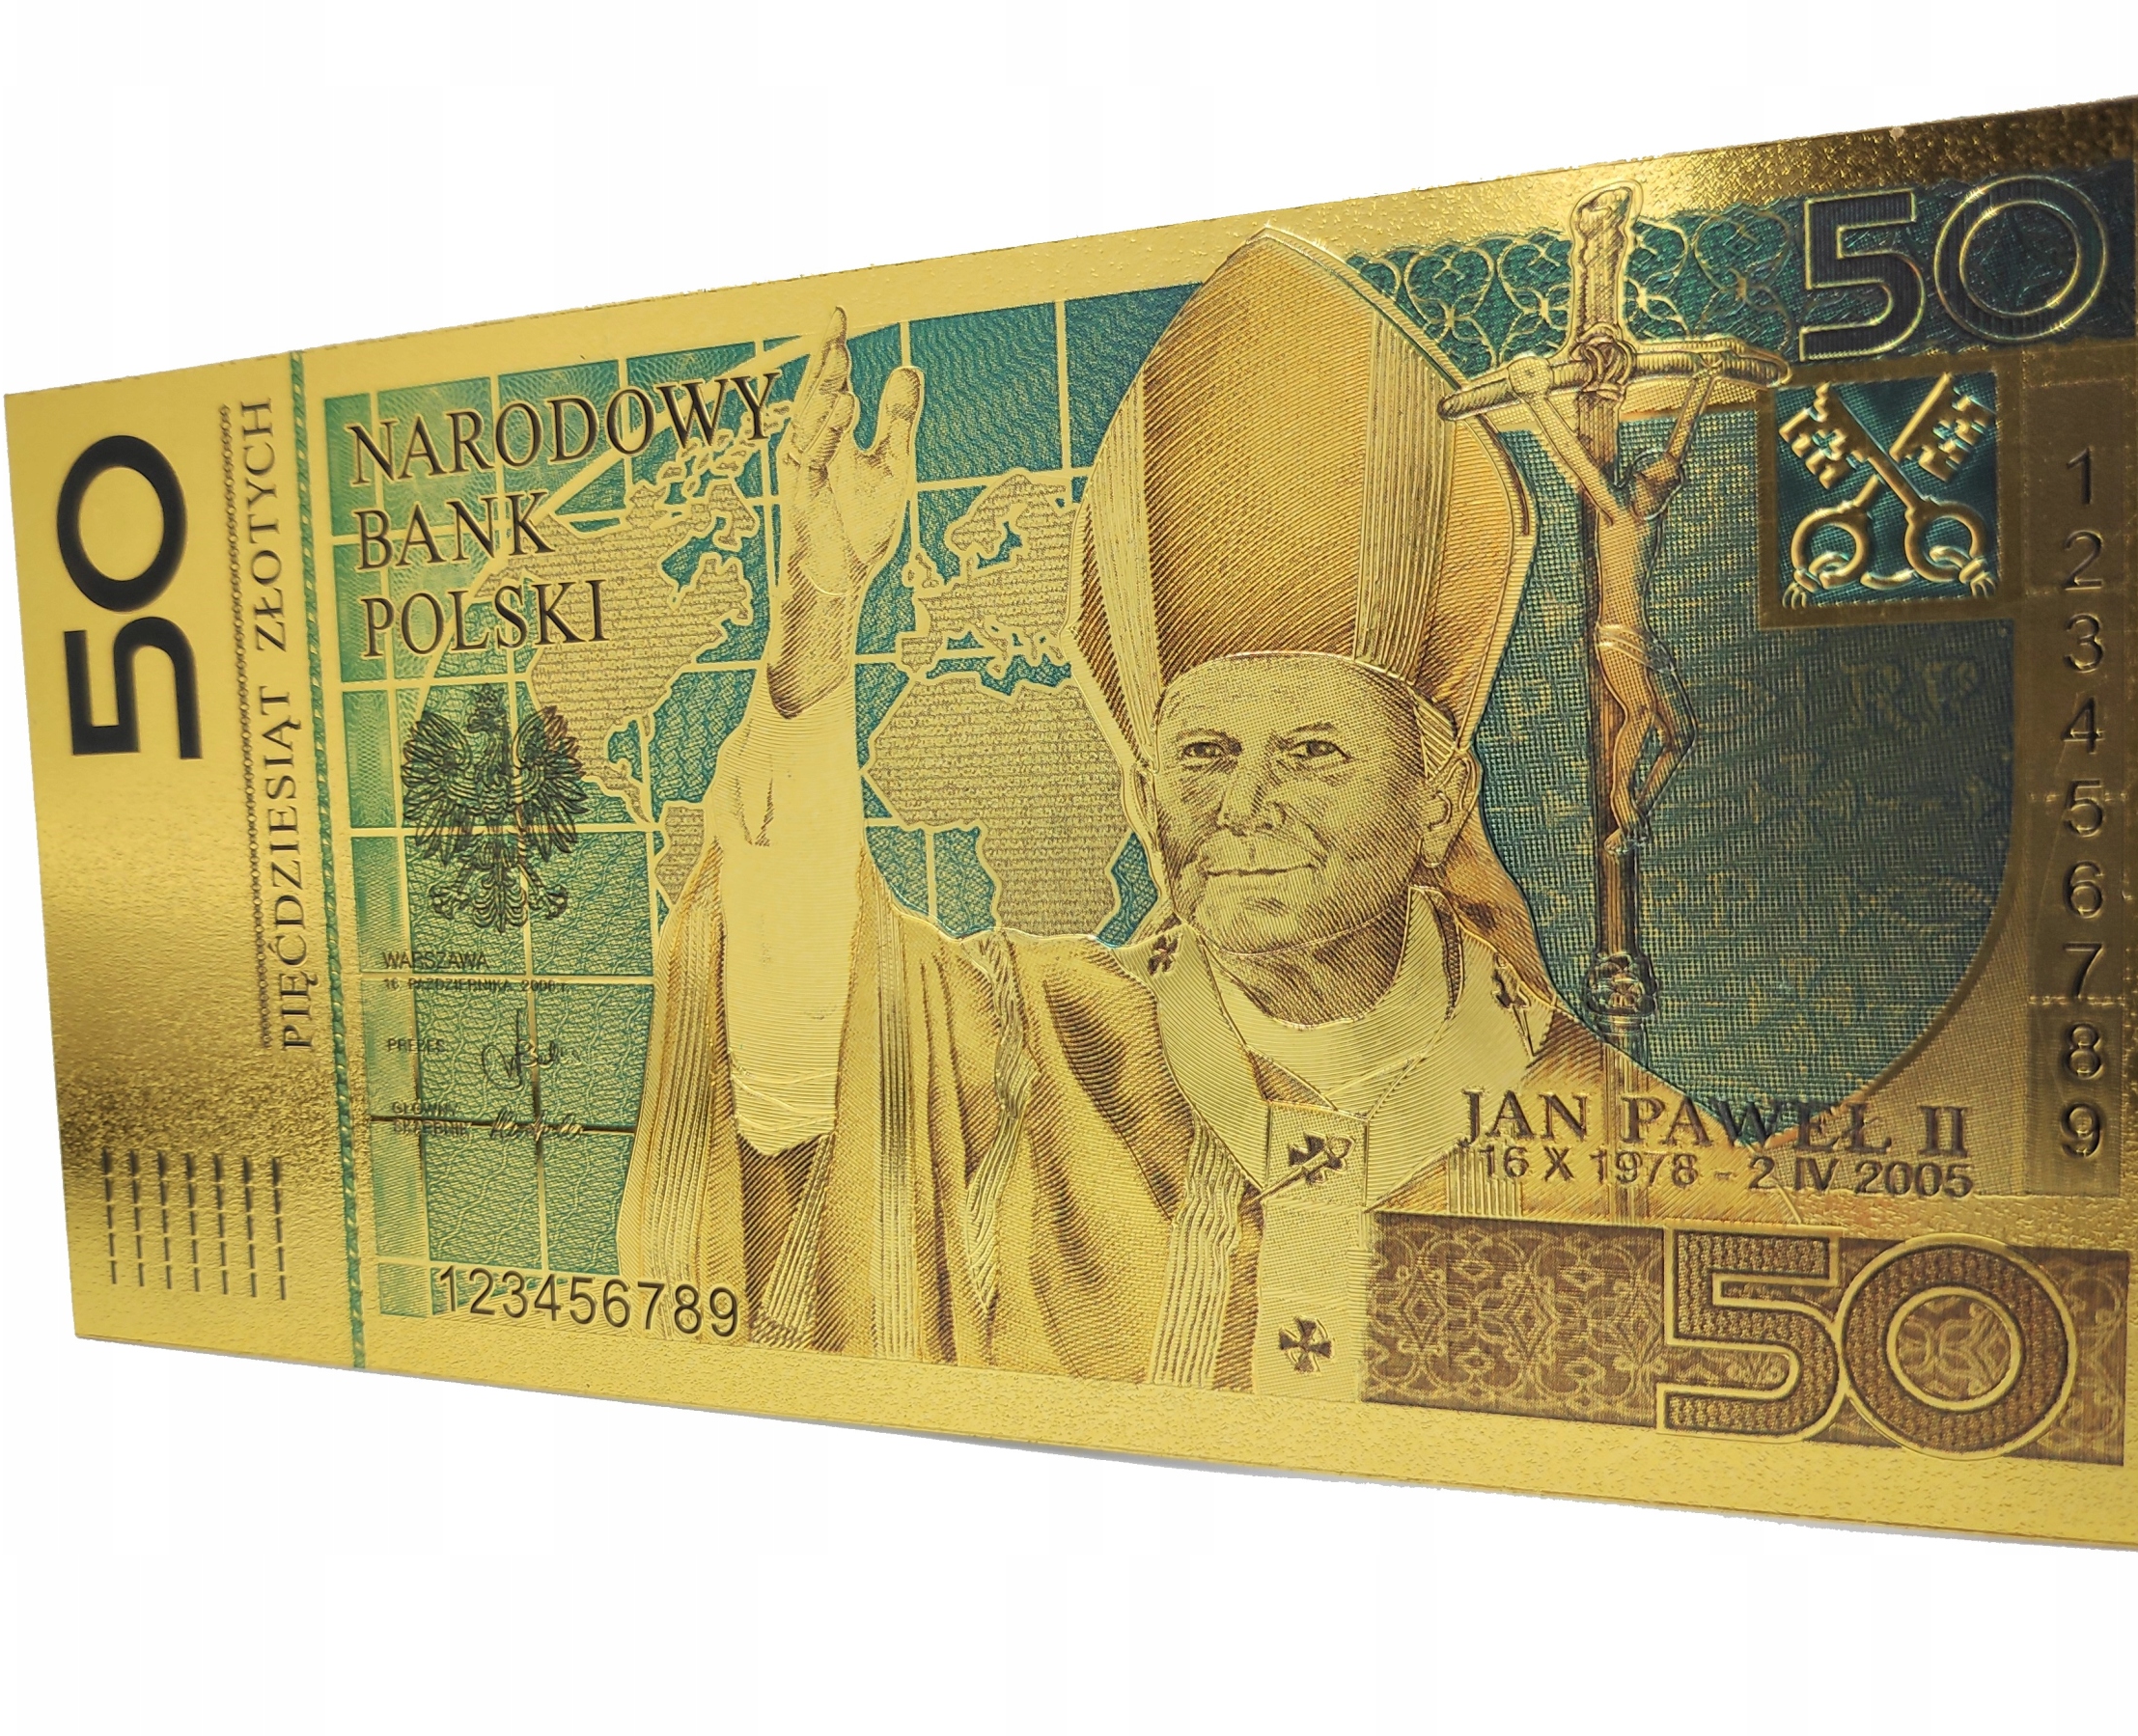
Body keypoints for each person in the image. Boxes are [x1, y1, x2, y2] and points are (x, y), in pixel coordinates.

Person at [615, 231, 1635, 1395]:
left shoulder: (1596, 1118)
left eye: (1311, 752)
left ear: (1438, 797)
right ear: (1142, 800)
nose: (1242, 805)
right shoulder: (1040, 1041)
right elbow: (803, 1056)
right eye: (1202, 754)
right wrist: (817, 610)